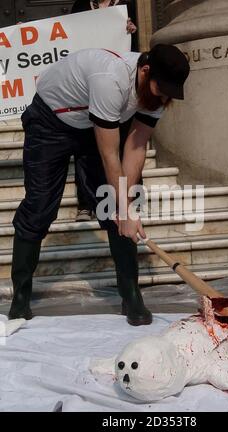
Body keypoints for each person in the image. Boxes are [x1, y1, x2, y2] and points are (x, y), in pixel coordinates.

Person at [8, 44, 190, 326]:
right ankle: (21, 295)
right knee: (40, 206)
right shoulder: (110, 79)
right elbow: (109, 155)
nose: (164, 96)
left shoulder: (155, 96)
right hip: (50, 121)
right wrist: (122, 207)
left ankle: (130, 295)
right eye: (161, 88)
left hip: (90, 124)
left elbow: (136, 147)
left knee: (116, 205)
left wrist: (125, 208)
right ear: (145, 71)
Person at [71, 0, 137, 221]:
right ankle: (85, 203)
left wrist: (131, 30)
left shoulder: (126, 3)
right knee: (84, 148)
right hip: (86, 87)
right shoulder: (80, 4)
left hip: (114, 88)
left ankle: (124, 200)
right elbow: (63, 33)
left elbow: (132, 49)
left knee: (118, 146)